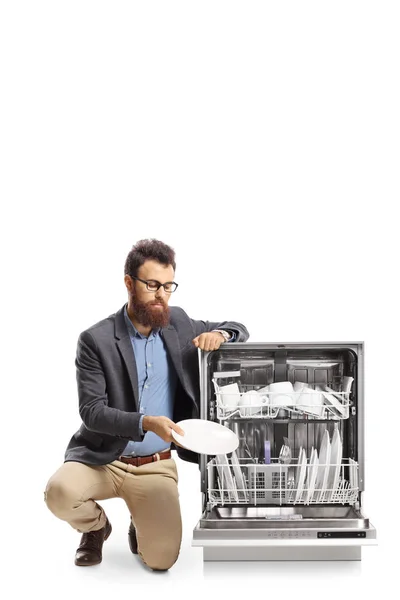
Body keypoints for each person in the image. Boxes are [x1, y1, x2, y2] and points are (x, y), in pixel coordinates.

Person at [44, 239, 249, 572]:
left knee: (161, 561)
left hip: (155, 464)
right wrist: (145, 422)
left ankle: (140, 521)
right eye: (152, 285)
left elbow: (239, 327)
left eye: (168, 286)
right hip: (104, 458)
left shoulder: (179, 323)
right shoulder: (96, 340)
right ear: (129, 283)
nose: (161, 295)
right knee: (59, 493)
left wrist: (222, 335)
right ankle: (96, 527)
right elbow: (91, 412)